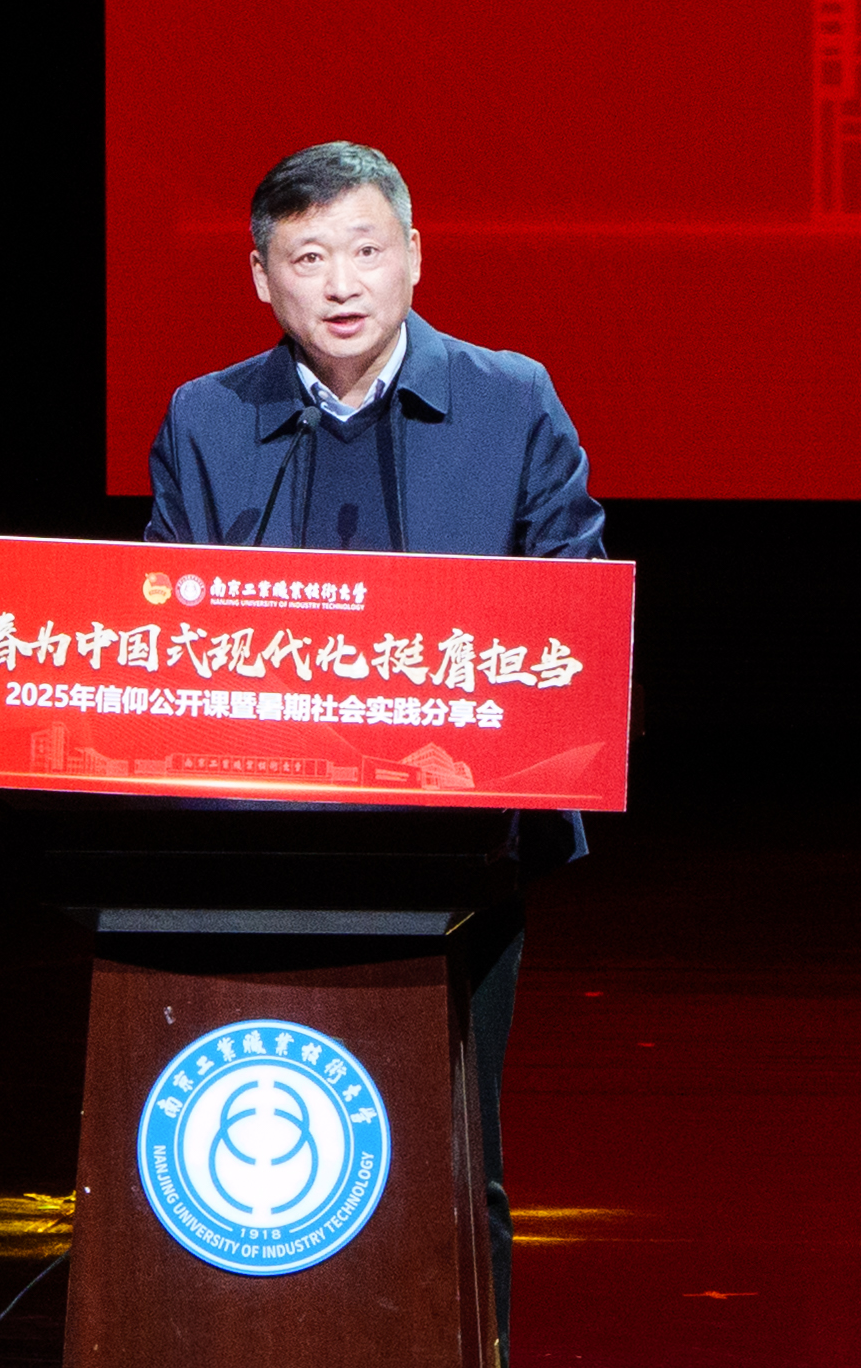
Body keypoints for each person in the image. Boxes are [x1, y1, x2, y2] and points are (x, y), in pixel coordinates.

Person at [144, 140, 605, 1359]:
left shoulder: (511, 400)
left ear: (414, 256)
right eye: (307, 258)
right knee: (265, 1160)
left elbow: (573, 621)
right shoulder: (206, 417)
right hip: (255, 852)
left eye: (365, 249)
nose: (341, 283)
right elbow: (162, 637)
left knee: (450, 1154)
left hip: (457, 851)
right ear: (263, 278)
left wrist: (483, 754)